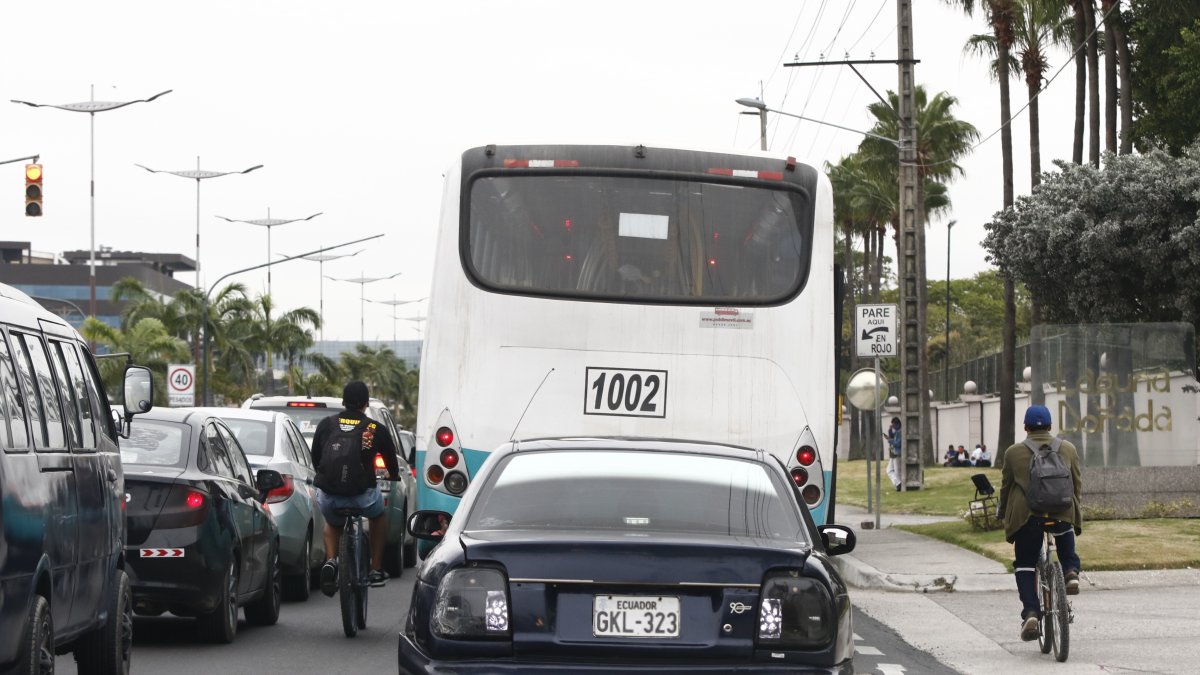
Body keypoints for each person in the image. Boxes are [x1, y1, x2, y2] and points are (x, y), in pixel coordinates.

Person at [997, 404, 1083, 642]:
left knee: (1025, 564)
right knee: (1064, 534)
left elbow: (1006, 487)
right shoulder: (1068, 448)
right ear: (1050, 426)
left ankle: (1031, 613)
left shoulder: (1013, 453)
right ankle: (1070, 572)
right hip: (1061, 512)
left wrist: (1002, 512)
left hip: (1028, 517)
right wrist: (1074, 508)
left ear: (1025, 427)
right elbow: (1076, 483)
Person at [312, 381, 401, 593]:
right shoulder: (373, 429)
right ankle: (376, 569)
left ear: (343, 402)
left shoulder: (327, 424)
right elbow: (391, 460)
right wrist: (393, 475)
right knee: (378, 517)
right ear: (366, 403)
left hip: (330, 496)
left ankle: (331, 561)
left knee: (332, 523)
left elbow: (316, 458)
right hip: (363, 496)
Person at [886, 417, 902, 490]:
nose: (893, 427)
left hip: (897, 454)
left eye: (894, 425)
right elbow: (892, 437)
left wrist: (889, 440)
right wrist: (889, 431)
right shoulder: (896, 432)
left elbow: (898, 443)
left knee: (897, 471)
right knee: (889, 470)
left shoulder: (900, 432)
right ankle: (898, 483)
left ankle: (899, 484)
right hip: (893, 454)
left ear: (897, 424)